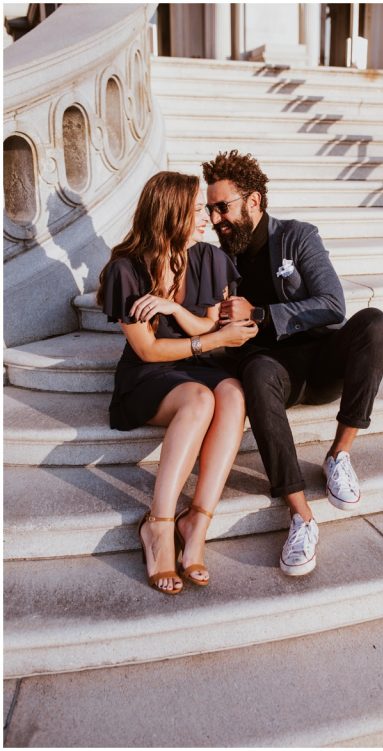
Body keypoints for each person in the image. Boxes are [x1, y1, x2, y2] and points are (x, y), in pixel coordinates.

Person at [201, 150, 383, 577]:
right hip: (270, 372)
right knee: (257, 370)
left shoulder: (297, 236)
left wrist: (261, 313)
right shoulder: (217, 257)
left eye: (222, 207)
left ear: (253, 201)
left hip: (321, 363)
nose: (216, 219)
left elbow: (332, 304)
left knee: (375, 324)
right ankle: (301, 515)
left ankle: (340, 454)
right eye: (210, 209)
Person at [97, 171, 259, 595]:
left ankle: (197, 522)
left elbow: (209, 320)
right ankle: (159, 524)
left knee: (233, 393)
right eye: (195, 211)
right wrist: (213, 340)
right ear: (169, 214)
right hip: (149, 375)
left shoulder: (209, 259)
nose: (206, 217)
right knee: (200, 400)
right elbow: (148, 350)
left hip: (197, 364)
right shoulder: (125, 270)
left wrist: (175, 308)